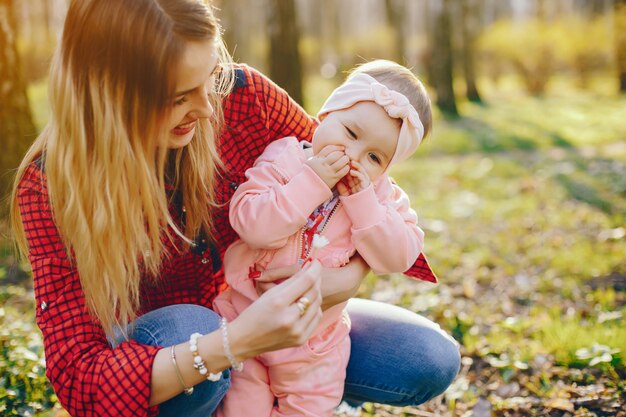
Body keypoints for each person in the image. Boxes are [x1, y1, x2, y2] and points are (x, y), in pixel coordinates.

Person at [10, 1, 460, 416]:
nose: (207, 107)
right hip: (174, 350)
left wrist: (339, 280)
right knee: (194, 330)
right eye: (180, 95)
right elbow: (79, 380)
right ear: (111, 95)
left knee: (425, 357)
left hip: (280, 317)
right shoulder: (52, 187)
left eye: (209, 77)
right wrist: (236, 342)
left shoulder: (243, 97)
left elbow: (353, 174)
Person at [213, 60, 437, 417]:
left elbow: (400, 257)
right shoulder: (284, 159)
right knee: (243, 407)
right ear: (326, 112)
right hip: (244, 322)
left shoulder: (380, 198)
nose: (354, 157)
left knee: (310, 409)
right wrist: (310, 183)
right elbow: (250, 224)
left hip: (315, 344)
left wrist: (362, 202)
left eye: (375, 157)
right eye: (350, 133)